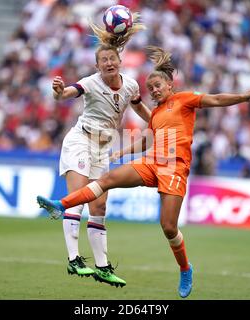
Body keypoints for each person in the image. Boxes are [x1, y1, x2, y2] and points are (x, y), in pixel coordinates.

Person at [37, 45, 250, 297]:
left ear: (169, 87)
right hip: (151, 163)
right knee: (108, 179)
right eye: (151, 88)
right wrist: (123, 152)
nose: (154, 90)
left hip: (174, 167)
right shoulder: (154, 115)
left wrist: (243, 97)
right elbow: (147, 140)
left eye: (158, 86)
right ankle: (61, 205)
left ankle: (185, 268)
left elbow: (217, 99)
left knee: (168, 227)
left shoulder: (184, 99)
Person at [38, 15, 150, 288]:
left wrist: (158, 120)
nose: (109, 63)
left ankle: (102, 267)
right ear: (97, 66)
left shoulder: (132, 85)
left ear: (119, 61)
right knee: (76, 198)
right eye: (103, 61)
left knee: (99, 206)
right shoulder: (90, 82)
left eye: (112, 59)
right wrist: (57, 92)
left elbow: (139, 108)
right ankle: (74, 259)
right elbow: (67, 93)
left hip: (103, 148)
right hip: (81, 141)